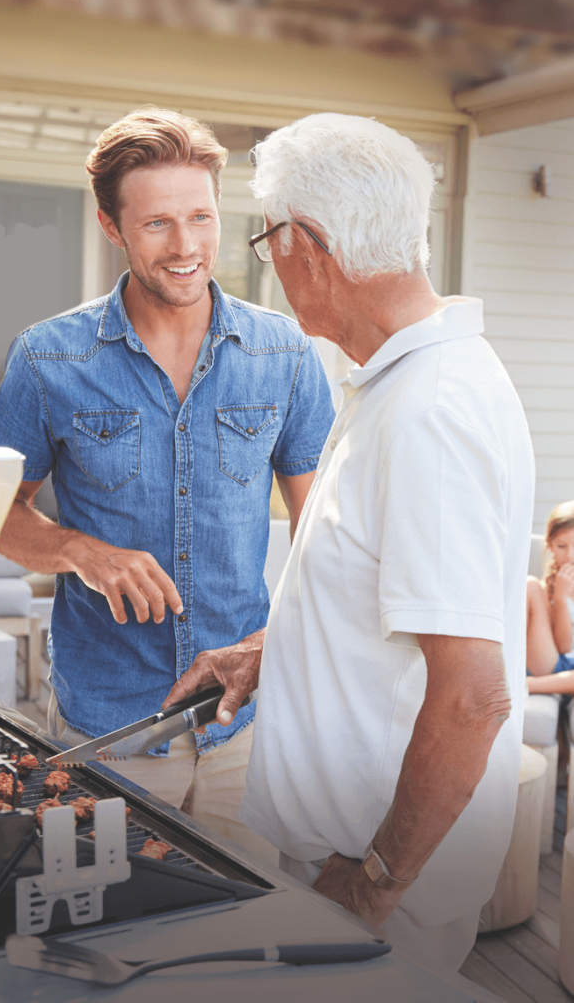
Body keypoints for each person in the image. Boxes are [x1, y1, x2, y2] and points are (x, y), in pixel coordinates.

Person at [163, 112, 535, 969]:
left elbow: (473, 696)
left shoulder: (430, 411)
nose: (267, 263)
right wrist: (272, 649)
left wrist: (369, 884)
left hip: (373, 892)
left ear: (307, 245)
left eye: (265, 240)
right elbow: (384, 599)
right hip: (344, 863)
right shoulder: (388, 380)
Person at [0, 107, 335, 861]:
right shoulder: (48, 359)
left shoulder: (286, 355)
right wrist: (83, 552)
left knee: (243, 946)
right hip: (108, 727)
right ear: (113, 226)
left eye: (201, 218)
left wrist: (277, 645)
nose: (185, 248)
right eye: (156, 225)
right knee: (104, 921)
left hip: (241, 725)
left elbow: (326, 533)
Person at [526, 501, 574, 694]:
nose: (570, 556)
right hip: (551, 662)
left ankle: (521, 686)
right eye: (561, 546)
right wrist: (560, 599)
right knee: (530, 584)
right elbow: (562, 647)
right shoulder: (549, 587)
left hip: (568, 675)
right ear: (550, 546)